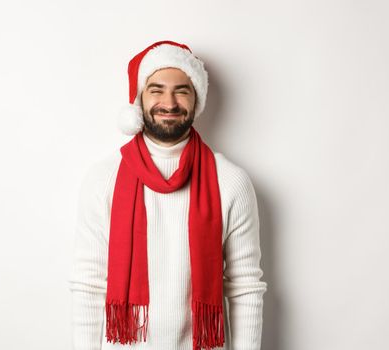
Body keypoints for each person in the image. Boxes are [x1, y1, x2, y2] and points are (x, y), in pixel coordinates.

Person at [68, 40, 267, 350]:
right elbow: (88, 285)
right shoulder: (103, 179)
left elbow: (245, 288)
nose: (169, 103)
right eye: (156, 90)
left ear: (197, 98)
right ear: (140, 99)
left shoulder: (230, 181)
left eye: (182, 90)